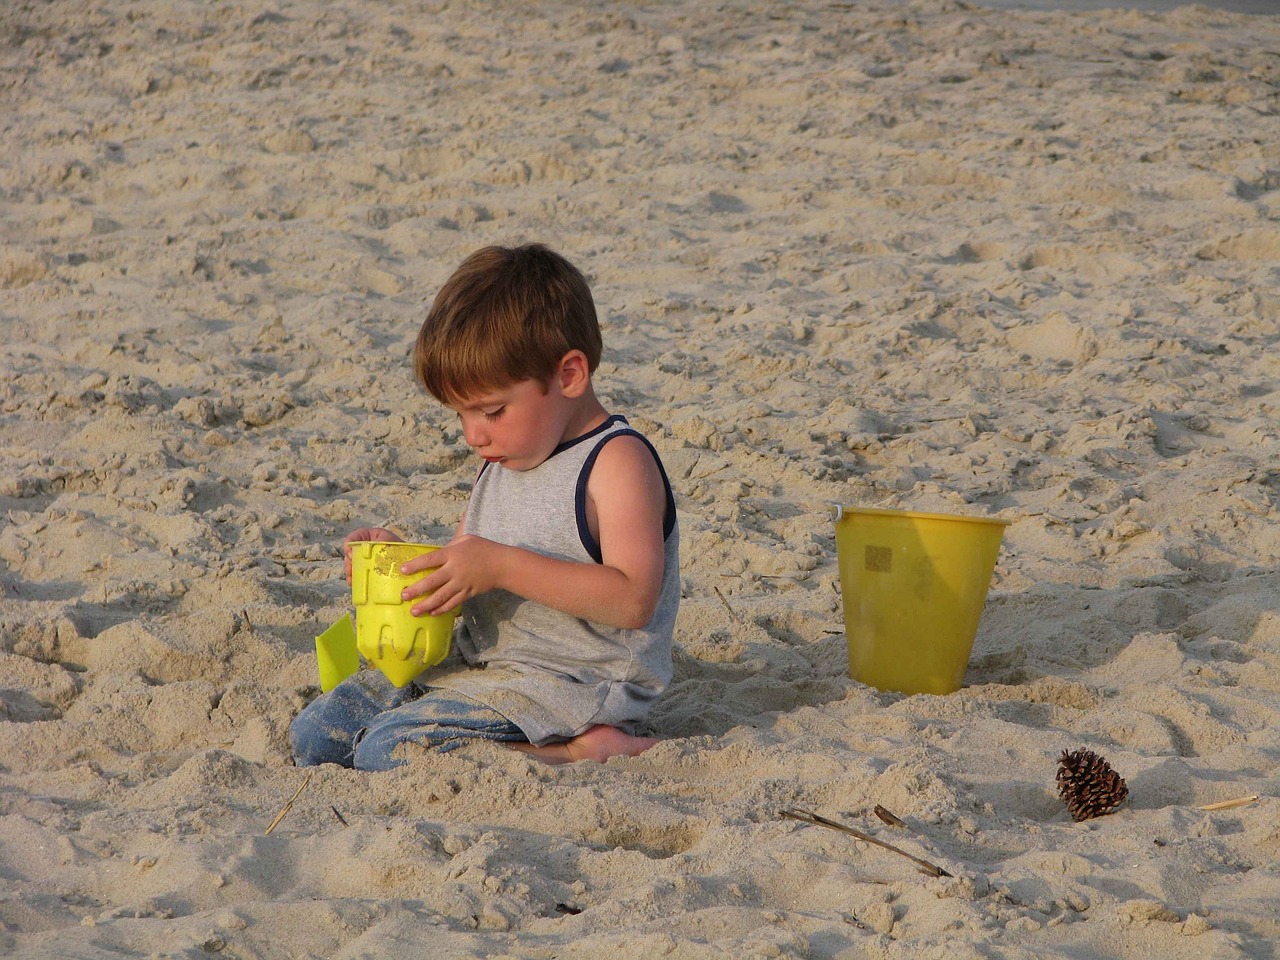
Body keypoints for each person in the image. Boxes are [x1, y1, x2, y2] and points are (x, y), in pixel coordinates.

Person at [289, 243, 679, 769]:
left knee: (388, 752)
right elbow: (466, 571)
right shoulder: (505, 454)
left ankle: (579, 751)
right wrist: (401, 565)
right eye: (461, 416)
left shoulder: (616, 462)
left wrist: (501, 566)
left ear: (568, 375)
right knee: (317, 735)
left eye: (491, 410)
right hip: (485, 667)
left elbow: (634, 600)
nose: (474, 434)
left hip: (573, 682)